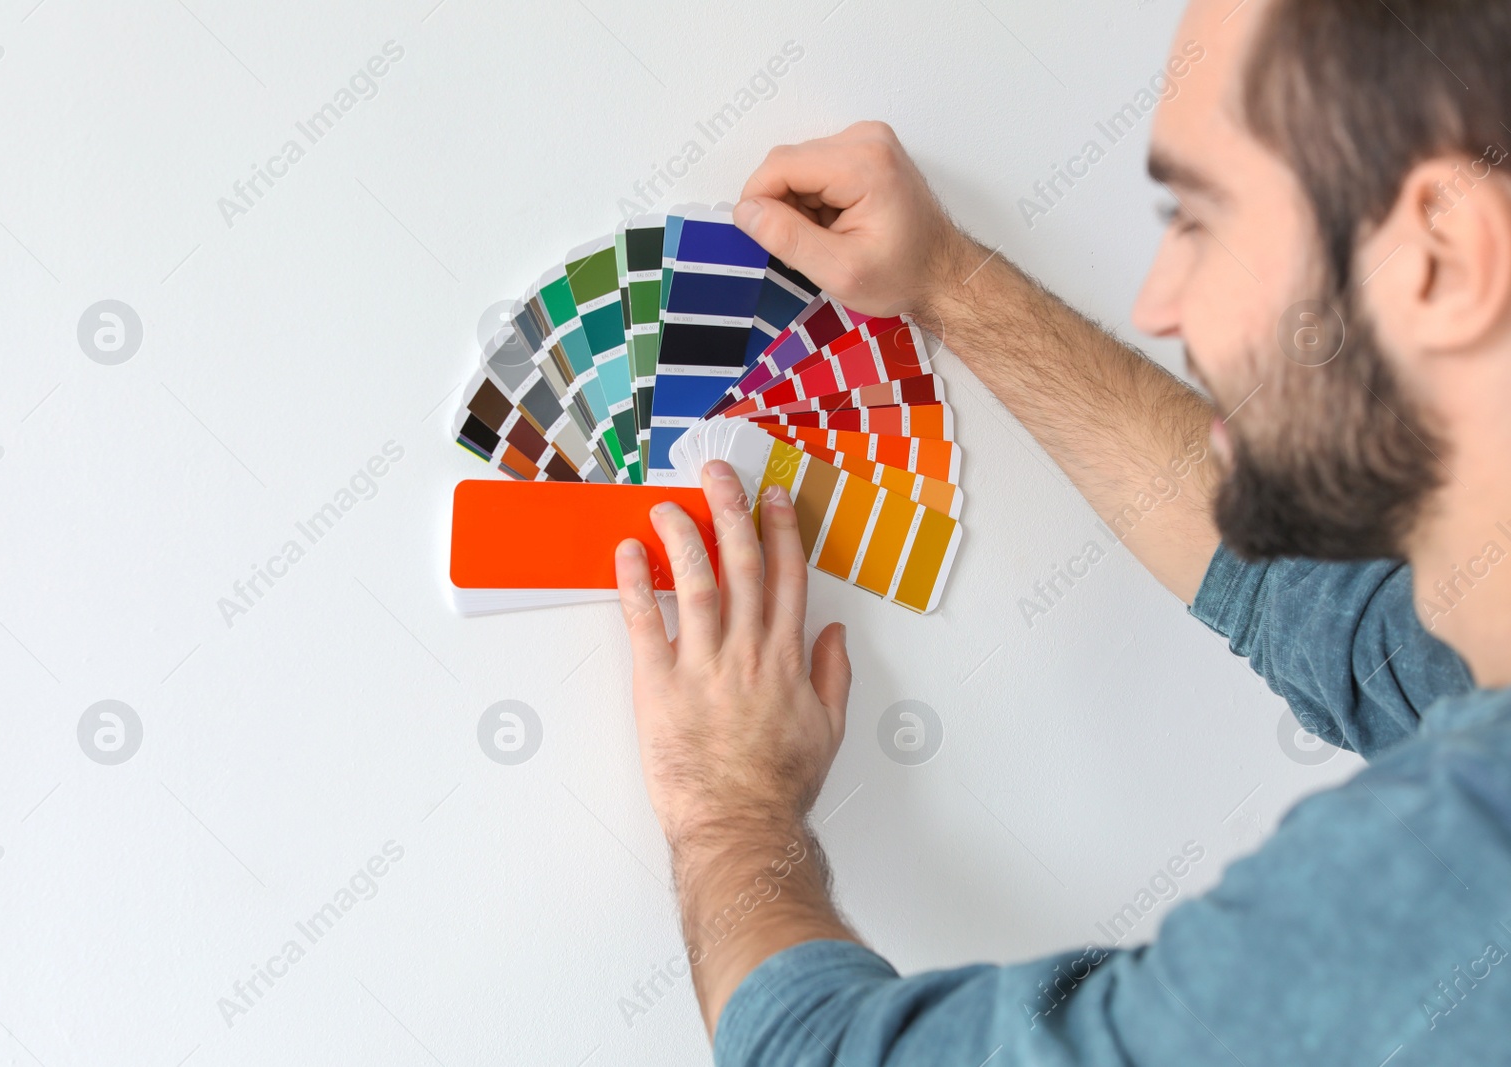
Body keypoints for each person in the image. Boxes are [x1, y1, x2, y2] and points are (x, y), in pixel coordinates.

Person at [611, 0, 1511, 1061]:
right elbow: (1328, 611)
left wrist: (730, 814)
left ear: (1442, 257)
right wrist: (945, 279)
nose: (1159, 299)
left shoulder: (1453, 875)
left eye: (1199, 218)